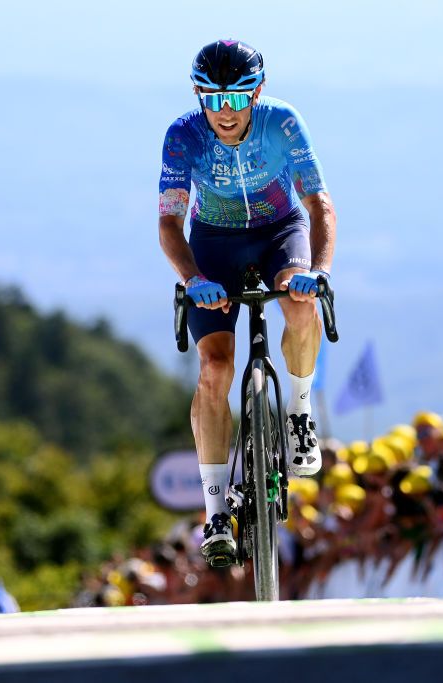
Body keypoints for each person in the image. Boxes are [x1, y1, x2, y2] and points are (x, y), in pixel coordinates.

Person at [158, 39, 337, 566]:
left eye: (237, 97)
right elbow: (169, 223)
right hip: (213, 243)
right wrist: (192, 280)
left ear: (257, 92)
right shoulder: (182, 136)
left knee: (299, 302)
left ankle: (299, 413)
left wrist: (319, 272)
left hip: (280, 230)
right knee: (215, 369)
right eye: (213, 99)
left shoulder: (283, 124)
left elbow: (319, 205)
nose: (227, 111)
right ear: (198, 97)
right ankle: (215, 511)